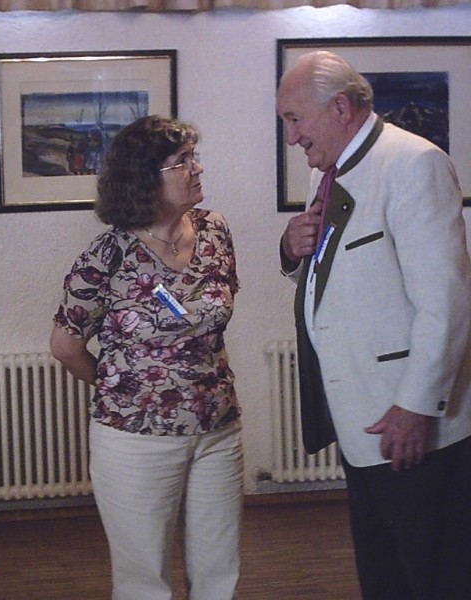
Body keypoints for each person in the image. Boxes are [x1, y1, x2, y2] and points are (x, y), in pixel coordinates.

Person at [277, 50, 471, 599]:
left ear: (340, 107)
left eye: (295, 119)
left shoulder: (413, 163)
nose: (291, 137)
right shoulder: (333, 171)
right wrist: (291, 251)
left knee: (435, 577)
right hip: (364, 417)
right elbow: (343, 279)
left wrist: (416, 406)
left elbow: (447, 302)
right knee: (386, 577)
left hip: (409, 423)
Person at [51, 115, 244, 600]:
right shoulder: (107, 256)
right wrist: (127, 388)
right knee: (144, 579)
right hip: (136, 438)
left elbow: (217, 309)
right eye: (182, 161)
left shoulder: (215, 230)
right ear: (143, 177)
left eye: (194, 157)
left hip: (217, 428)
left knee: (219, 569)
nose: (197, 168)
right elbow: (66, 346)